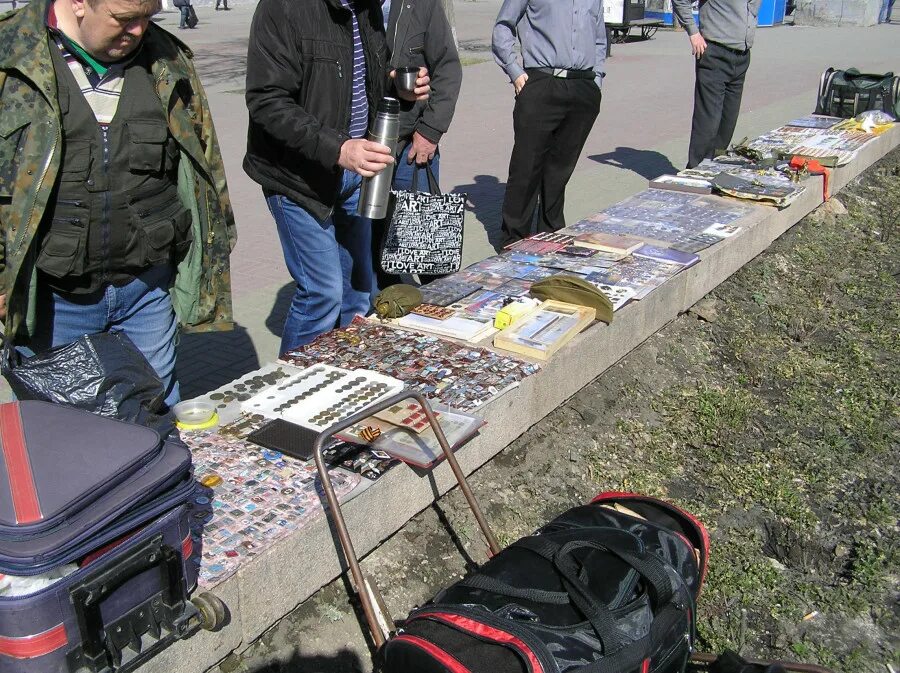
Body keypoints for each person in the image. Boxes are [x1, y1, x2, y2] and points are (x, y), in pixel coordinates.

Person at [0, 0, 237, 407]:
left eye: (148, 17)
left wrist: (213, 255)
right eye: (124, 19)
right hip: (54, 299)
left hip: (147, 288)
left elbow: (205, 168)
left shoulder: (169, 60)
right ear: (77, 3)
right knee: (72, 439)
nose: (140, 31)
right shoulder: (12, 56)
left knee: (154, 418)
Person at [244, 0, 429, 354]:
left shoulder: (366, 7)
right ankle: (290, 392)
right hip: (298, 178)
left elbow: (369, 84)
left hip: (353, 174)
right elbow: (267, 101)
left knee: (359, 292)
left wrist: (401, 92)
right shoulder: (283, 7)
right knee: (322, 295)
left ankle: (347, 378)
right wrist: (339, 148)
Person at [492, 0, 606, 246]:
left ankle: (551, 234)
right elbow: (503, 26)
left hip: (583, 86)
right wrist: (514, 70)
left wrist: (596, 81)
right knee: (526, 167)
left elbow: (599, 39)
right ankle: (514, 240)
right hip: (542, 82)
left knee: (559, 170)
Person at [382, 0, 461, 190]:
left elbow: (448, 68)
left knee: (419, 218)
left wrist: (430, 131)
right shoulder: (351, 8)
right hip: (360, 144)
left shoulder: (423, 4)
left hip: (412, 143)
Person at [673, 0, 762, 168]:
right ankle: (695, 171)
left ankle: (713, 168)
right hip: (715, 53)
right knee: (708, 121)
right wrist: (693, 32)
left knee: (728, 121)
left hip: (741, 57)